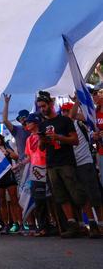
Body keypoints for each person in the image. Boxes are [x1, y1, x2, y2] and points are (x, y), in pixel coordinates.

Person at [36, 91, 85, 238]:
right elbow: (41, 148)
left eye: (44, 106)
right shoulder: (43, 124)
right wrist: (42, 141)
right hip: (51, 164)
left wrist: (58, 137)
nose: (42, 109)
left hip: (66, 162)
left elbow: (75, 141)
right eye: (39, 107)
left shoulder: (64, 120)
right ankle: (72, 225)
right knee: (60, 196)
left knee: (77, 193)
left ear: (51, 104)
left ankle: (89, 224)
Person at [65, 101, 103, 237]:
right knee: (82, 197)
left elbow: (73, 115)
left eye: (67, 111)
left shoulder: (80, 123)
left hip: (85, 163)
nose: (65, 114)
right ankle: (92, 224)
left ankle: (101, 224)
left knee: (95, 195)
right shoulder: (63, 127)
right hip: (72, 165)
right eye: (63, 111)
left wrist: (77, 100)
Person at [22, 113, 50, 236]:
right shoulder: (28, 139)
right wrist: (19, 165)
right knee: (38, 199)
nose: (26, 124)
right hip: (35, 170)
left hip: (47, 167)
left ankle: (55, 225)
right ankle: (42, 227)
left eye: (29, 122)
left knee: (51, 199)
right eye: (26, 123)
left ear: (36, 122)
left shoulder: (44, 136)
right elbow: (29, 157)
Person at [0, 132, 22, 234]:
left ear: (1, 139)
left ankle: (19, 223)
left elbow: (16, 157)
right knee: (2, 200)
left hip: (9, 175)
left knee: (14, 199)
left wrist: (7, 152)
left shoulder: (6, 147)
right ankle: (6, 224)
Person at [2, 94, 30, 162]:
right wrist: (6, 103)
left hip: (35, 161)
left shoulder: (34, 128)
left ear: (29, 118)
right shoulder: (17, 130)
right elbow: (5, 120)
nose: (22, 119)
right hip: (22, 162)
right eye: (20, 118)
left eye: (24, 117)